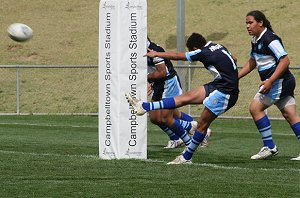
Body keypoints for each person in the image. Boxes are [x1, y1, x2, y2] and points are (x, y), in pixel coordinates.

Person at [126, 33, 239, 164]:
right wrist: (231, 75)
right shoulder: (217, 46)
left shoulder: (204, 53)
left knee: (202, 124)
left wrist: (157, 54)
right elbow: (234, 58)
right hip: (219, 84)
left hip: (226, 92)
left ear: (195, 48)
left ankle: (186, 156)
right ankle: (144, 107)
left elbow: (178, 56)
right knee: (185, 97)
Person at [238, 10, 300, 160]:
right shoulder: (255, 39)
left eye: (250, 22)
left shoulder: (270, 39)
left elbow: (285, 60)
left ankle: (270, 147)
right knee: (290, 115)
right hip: (281, 82)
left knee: (255, 108)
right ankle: (269, 147)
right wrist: (235, 77)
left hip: (279, 82)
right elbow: (252, 62)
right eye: (246, 23)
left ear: (260, 22)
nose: (247, 26)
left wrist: (270, 81)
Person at [146, 37, 204, 149]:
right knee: (155, 117)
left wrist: (146, 78)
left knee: (166, 118)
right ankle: (177, 137)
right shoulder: (141, 50)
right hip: (159, 84)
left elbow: (162, 73)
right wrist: (152, 82)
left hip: (168, 84)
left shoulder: (153, 49)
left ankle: (192, 133)